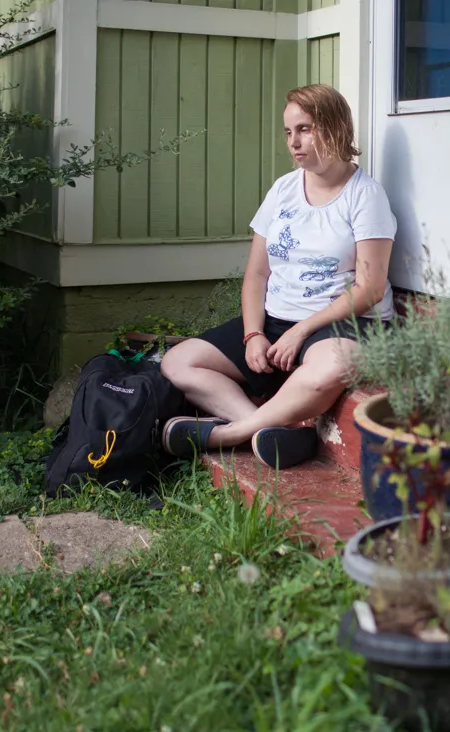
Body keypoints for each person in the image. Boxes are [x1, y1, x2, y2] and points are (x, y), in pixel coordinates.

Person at [159, 84, 396, 469]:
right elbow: (256, 273)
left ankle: (229, 434)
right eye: (288, 132)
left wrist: (301, 331)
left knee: (329, 370)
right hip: (275, 320)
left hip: (345, 323)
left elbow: (369, 289)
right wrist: (253, 334)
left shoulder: (365, 196)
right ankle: (263, 430)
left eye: (304, 129)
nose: (294, 142)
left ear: (334, 127)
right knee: (179, 361)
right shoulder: (283, 190)